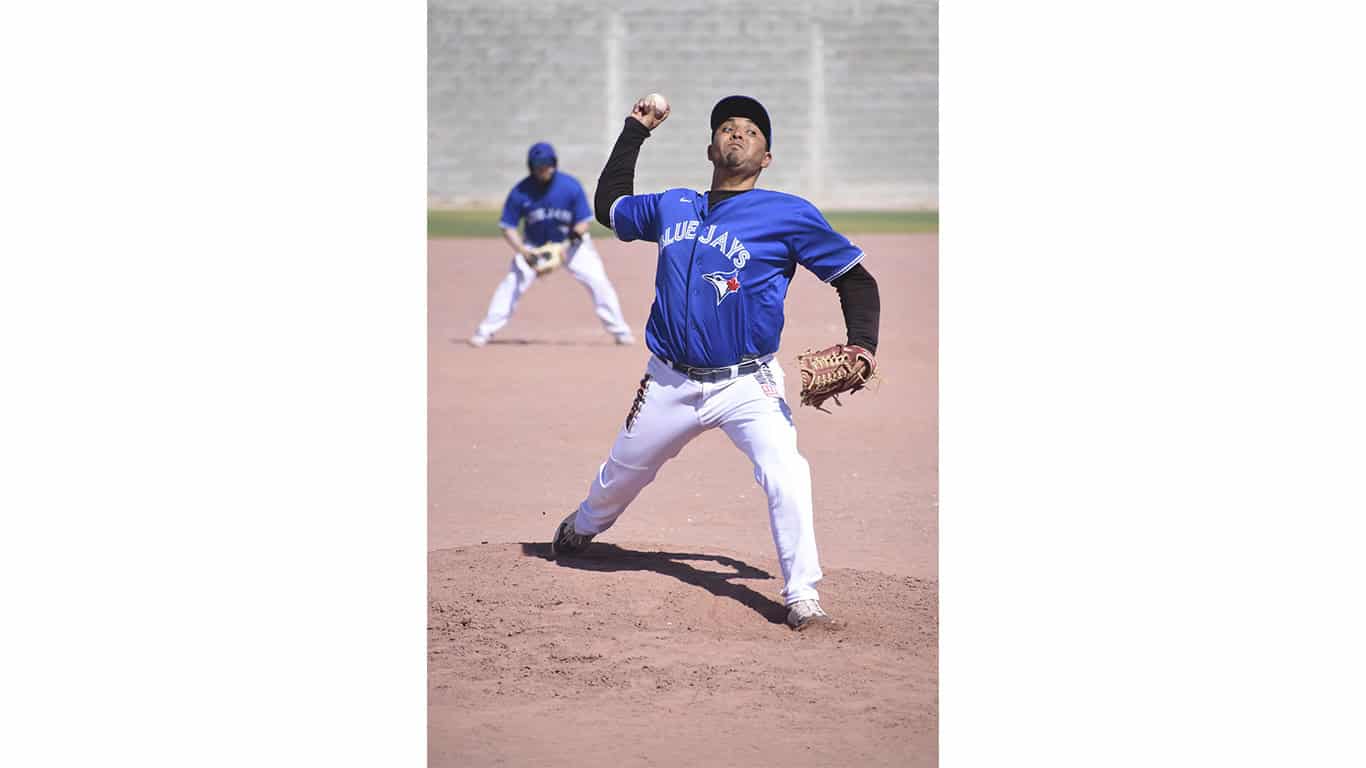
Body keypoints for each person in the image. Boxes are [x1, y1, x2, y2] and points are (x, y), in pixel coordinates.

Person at [549, 95, 882, 631]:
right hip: (668, 383)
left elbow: (855, 279)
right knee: (620, 476)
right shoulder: (674, 205)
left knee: (786, 473)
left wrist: (862, 344)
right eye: (726, 128)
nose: (736, 135)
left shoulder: (787, 213)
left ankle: (803, 597)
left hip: (748, 384)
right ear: (710, 147)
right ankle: (582, 527)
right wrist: (636, 130)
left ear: (766, 156)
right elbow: (610, 208)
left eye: (750, 131)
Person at [468, 142, 635, 347]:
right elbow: (508, 226)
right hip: (533, 247)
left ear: (554, 163)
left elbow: (583, 222)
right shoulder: (520, 192)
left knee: (599, 283)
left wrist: (564, 247)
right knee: (511, 284)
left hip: (572, 246)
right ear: (531, 166)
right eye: (539, 164)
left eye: (548, 163)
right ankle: (484, 331)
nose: (544, 168)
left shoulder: (570, 186)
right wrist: (523, 252)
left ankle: (621, 331)